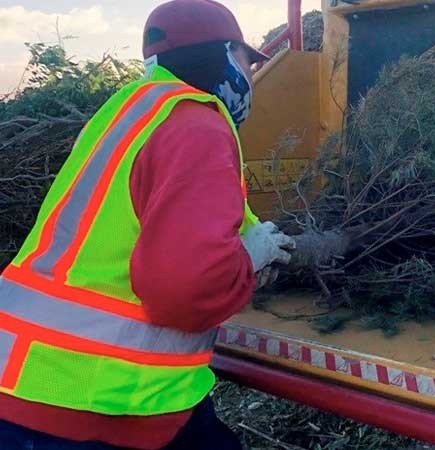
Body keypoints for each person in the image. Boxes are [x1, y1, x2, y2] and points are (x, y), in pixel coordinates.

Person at [0, 1, 293, 448]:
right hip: (99, 400)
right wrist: (250, 259)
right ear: (225, 55)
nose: (250, 77)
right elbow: (183, 293)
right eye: (246, 61)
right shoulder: (197, 123)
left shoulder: (126, 112)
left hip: (28, 379)